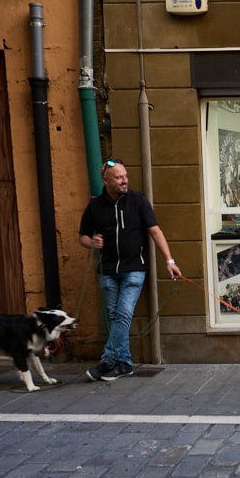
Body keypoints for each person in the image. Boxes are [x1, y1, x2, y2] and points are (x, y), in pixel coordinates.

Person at [78, 158, 181, 381]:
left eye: (125, 176)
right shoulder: (95, 206)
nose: (125, 180)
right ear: (106, 180)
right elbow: (82, 236)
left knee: (123, 314)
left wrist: (169, 261)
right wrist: (91, 242)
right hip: (107, 270)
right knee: (115, 316)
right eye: (119, 177)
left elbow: (155, 231)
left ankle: (107, 360)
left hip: (134, 268)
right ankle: (124, 363)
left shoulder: (137, 200)